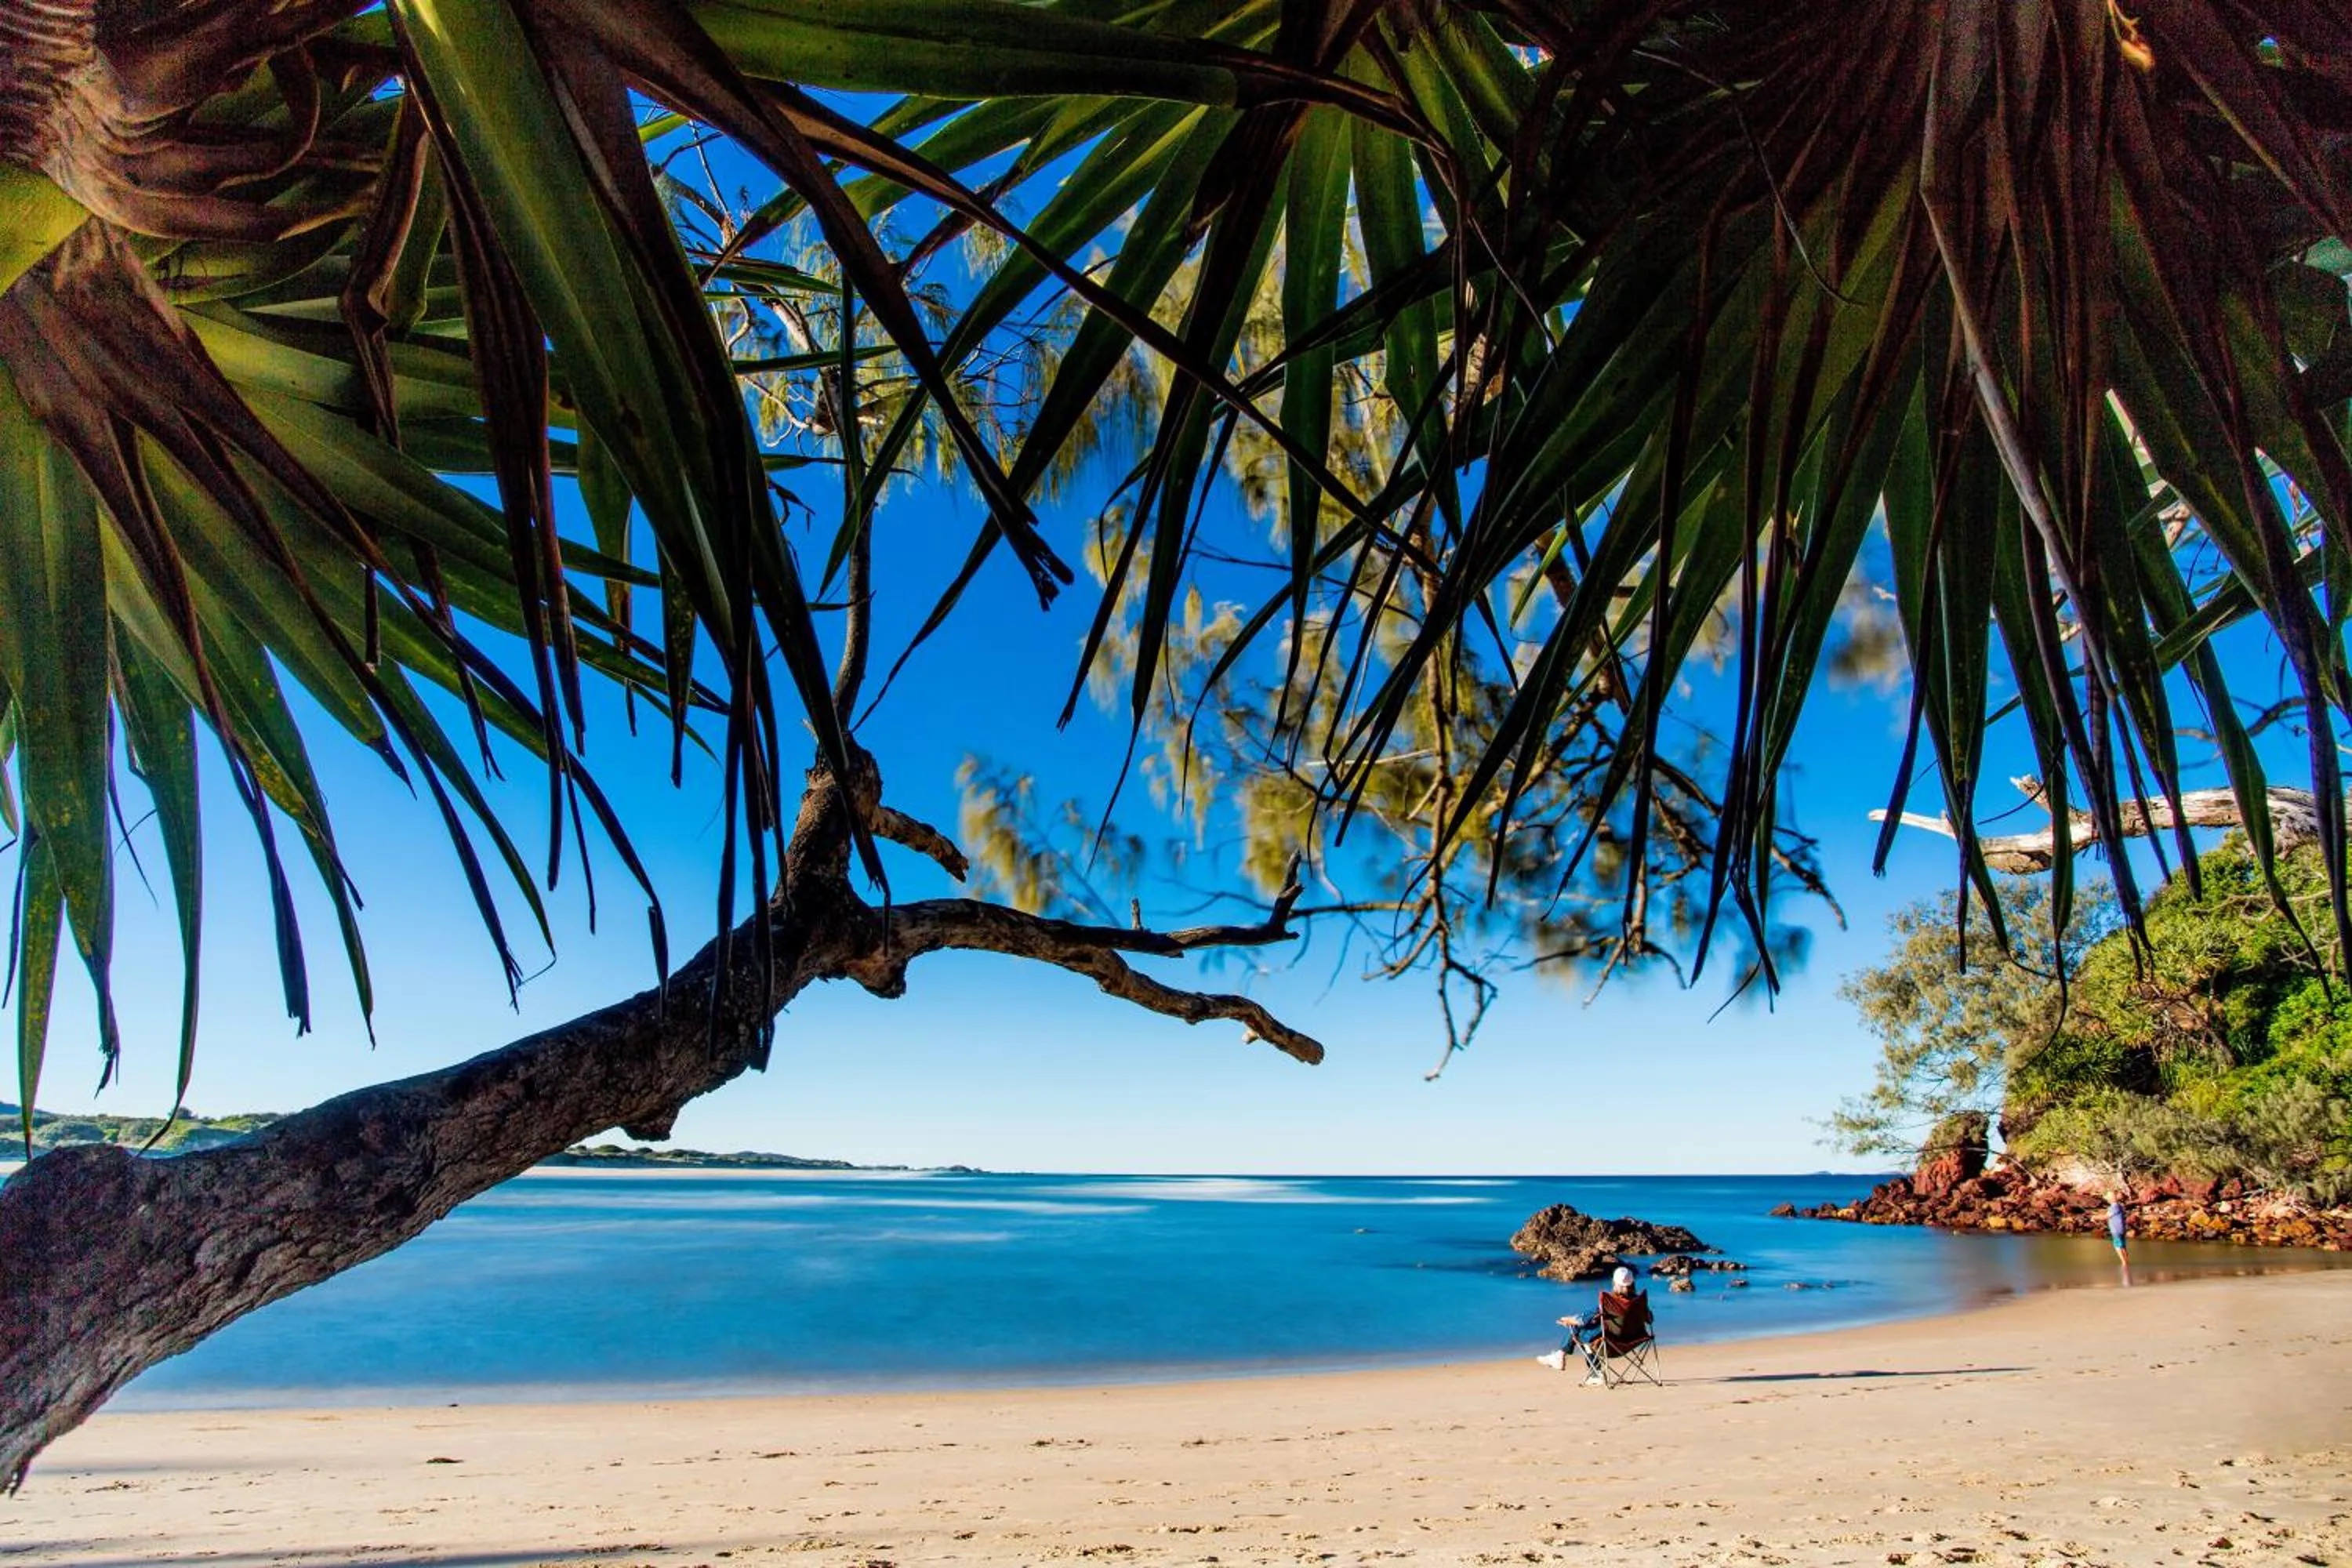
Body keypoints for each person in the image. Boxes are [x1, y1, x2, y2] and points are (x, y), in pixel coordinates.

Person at [1537, 1265, 1642, 1384]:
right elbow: (1649, 1318)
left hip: (1611, 1344)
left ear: (1615, 1283)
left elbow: (1586, 1317)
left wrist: (1571, 1320)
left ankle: (1592, 1372)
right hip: (1632, 1341)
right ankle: (1561, 1356)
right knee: (1584, 1325)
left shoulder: (1611, 1301)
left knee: (1578, 1331)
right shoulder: (1638, 1301)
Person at [2107, 1191, 2131, 1286]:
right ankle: (2126, 1263)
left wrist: (2095, 1217)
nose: (2107, 1198)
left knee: (2118, 1246)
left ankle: (2124, 1264)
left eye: (2108, 1197)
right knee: (2122, 1246)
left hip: (2117, 1230)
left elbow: (2107, 1216)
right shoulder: (2118, 1206)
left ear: (2112, 1198)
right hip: (2120, 1229)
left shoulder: (2115, 1207)